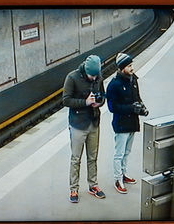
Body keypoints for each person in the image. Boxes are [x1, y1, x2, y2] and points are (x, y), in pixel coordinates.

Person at [62, 54, 106, 203]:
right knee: (76, 158)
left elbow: (103, 96)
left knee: (92, 157)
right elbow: (66, 100)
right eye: (91, 75)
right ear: (85, 70)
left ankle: (93, 185)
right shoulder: (72, 78)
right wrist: (85, 102)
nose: (94, 78)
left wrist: (99, 103)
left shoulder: (98, 76)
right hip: (78, 124)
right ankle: (74, 189)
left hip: (94, 123)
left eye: (96, 75)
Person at [106, 53, 148, 194]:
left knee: (127, 152)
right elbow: (112, 108)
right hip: (121, 124)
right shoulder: (114, 85)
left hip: (132, 122)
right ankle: (117, 180)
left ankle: (124, 174)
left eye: (131, 65)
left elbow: (137, 97)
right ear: (122, 67)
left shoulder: (133, 80)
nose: (132, 68)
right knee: (119, 154)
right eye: (129, 66)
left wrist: (142, 108)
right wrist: (132, 108)